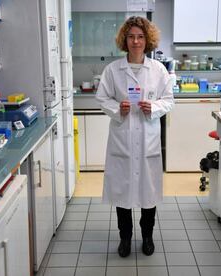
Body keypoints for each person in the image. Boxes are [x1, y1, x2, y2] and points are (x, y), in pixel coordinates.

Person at [96, 16, 174, 258]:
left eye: (140, 36)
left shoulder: (158, 70)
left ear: (147, 40)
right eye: (131, 37)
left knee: (148, 193)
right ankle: (125, 238)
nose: (136, 41)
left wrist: (155, 107)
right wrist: (118, 109)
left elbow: (169, 100)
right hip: (122, 140)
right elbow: (102, 98)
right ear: (125, 40)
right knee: (122, 192)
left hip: (148, 141)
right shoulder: (113, 70)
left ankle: (148, 236)